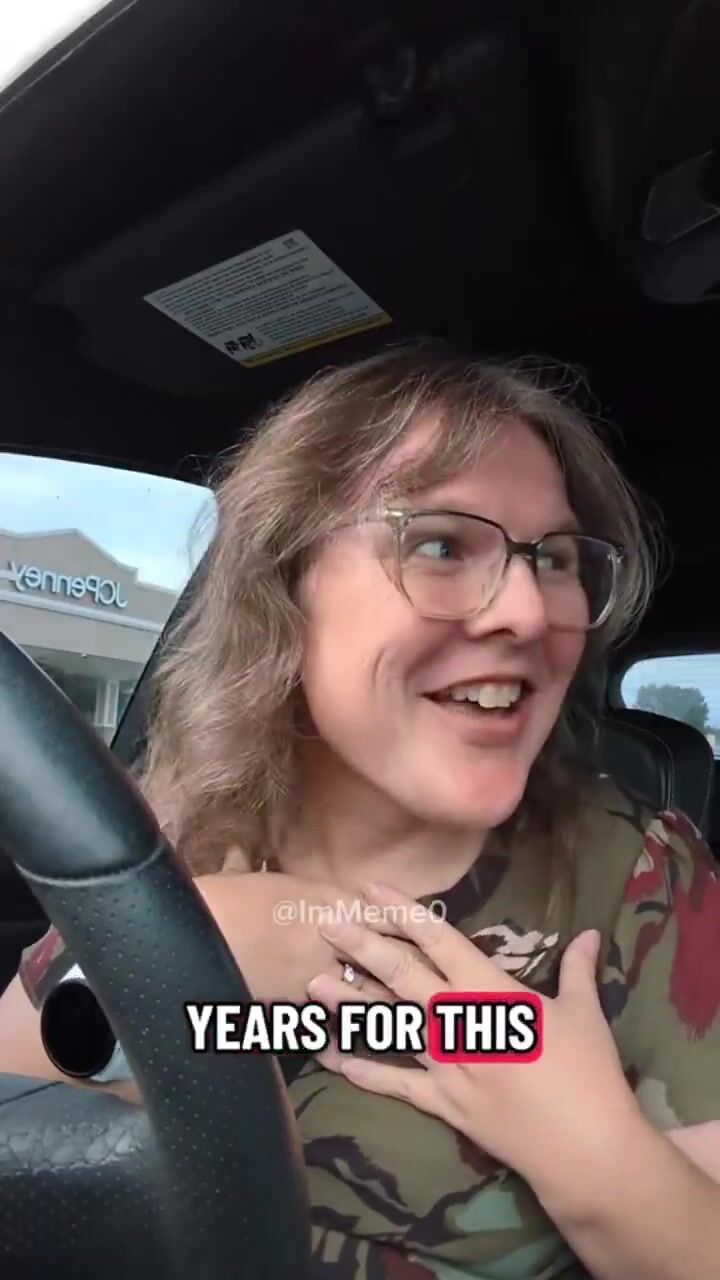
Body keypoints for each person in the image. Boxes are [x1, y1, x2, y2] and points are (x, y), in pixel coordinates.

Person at [1, 342, 719, 1279]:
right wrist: (181, 949)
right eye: (441, 545)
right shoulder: (169, 843)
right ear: (283, 588)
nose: (529, 613)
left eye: (553, 559)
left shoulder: (639, 876)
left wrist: (592, 1159)